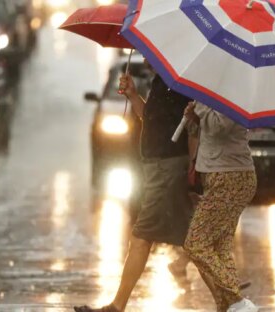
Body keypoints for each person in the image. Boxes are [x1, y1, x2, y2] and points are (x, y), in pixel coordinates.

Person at [74, 69, 194, 312]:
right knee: (193, 238)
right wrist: (132, 95)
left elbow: (190, 127)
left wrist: (193, 164)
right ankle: (230, 298)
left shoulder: (179, 82)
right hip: (157, 166)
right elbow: (149, 118)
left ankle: (116, 306)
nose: (146, 57)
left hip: (166, 167)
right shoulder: (162, 81)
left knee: (141, 237)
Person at [183, 102, 258, 312]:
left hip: (230, 176)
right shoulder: (214, 93)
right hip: (220, 175)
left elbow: (219, 126)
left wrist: (201, 107)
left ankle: (238, 301)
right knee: (220, 247)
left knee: (195, 243)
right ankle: (229, 306)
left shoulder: (231, 93)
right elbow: (207, 132)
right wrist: (194, 120)